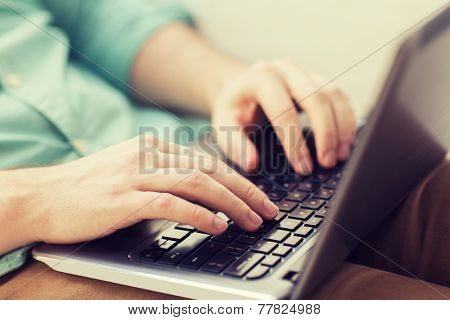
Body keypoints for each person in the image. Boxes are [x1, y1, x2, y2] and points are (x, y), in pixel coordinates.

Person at [0, 1, 448, 299]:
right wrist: (35, 198)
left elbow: (95, 16)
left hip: (202, 161)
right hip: (25, 262)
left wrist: (224, 84)